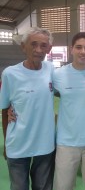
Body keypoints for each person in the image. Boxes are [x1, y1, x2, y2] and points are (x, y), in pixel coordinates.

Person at [0, 27, 55, 190]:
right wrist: (6, 144)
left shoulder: (51, 69)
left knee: (43, 187)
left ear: (49, 49)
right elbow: (4, 110)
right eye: (33, 44)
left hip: (45, 145)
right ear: (23, 46)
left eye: (43, 45)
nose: (38, 50)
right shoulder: (10, 74)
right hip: (17, 145)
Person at [53, 32, 85, 190]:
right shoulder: (58, 75)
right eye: (79, 47)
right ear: (71, 49)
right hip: (66, 143)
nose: (83, 51)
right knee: (63, 187)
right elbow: (39, 94)